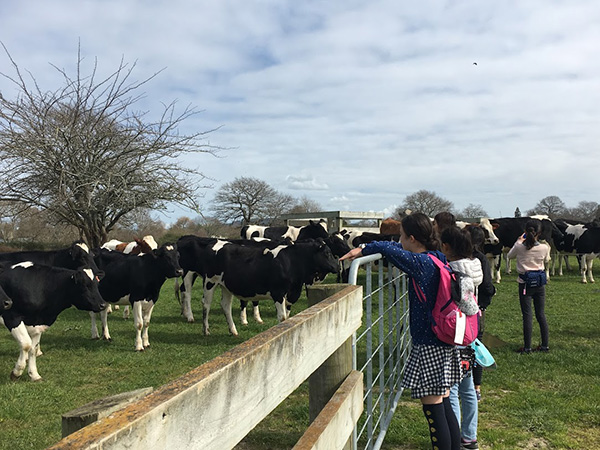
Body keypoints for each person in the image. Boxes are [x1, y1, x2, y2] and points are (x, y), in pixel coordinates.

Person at [341, 213, 462, 450]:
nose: (400, 241)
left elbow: (389, 250)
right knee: (444, 403)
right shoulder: (437, 257)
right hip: (443, 339)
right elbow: (394, 248)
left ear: (413, 238)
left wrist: (365, 248)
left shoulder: (421, 263)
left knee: (434, 409)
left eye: (402, 237)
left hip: (430, 342)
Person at [441, 226, 483, 450]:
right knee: (467, 388)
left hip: (455, 330)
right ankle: (470, 436)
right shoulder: (476, 266)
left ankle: (456, 438)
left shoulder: (452, 270)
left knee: (453, 387)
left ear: (447, 247)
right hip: (471, 329)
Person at [506, 219, 551, 353]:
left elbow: (509, 255)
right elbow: (547, 259)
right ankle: (545, 345)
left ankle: (527, 347)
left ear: (525, 232)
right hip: (539, 282)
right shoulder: (544, 247)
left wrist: (519, 241)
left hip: (525, 283)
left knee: (527, 314)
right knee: (541, 314)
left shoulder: (520, 246)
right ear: (540, 232)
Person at [467, 226, 496, 402]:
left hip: (455, 310)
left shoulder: (453, 257)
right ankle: (476, 388)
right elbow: (486, 284)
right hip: (476, 308)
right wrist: (491, 293)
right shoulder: (480, 258)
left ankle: (457, 385)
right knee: (476, 345)